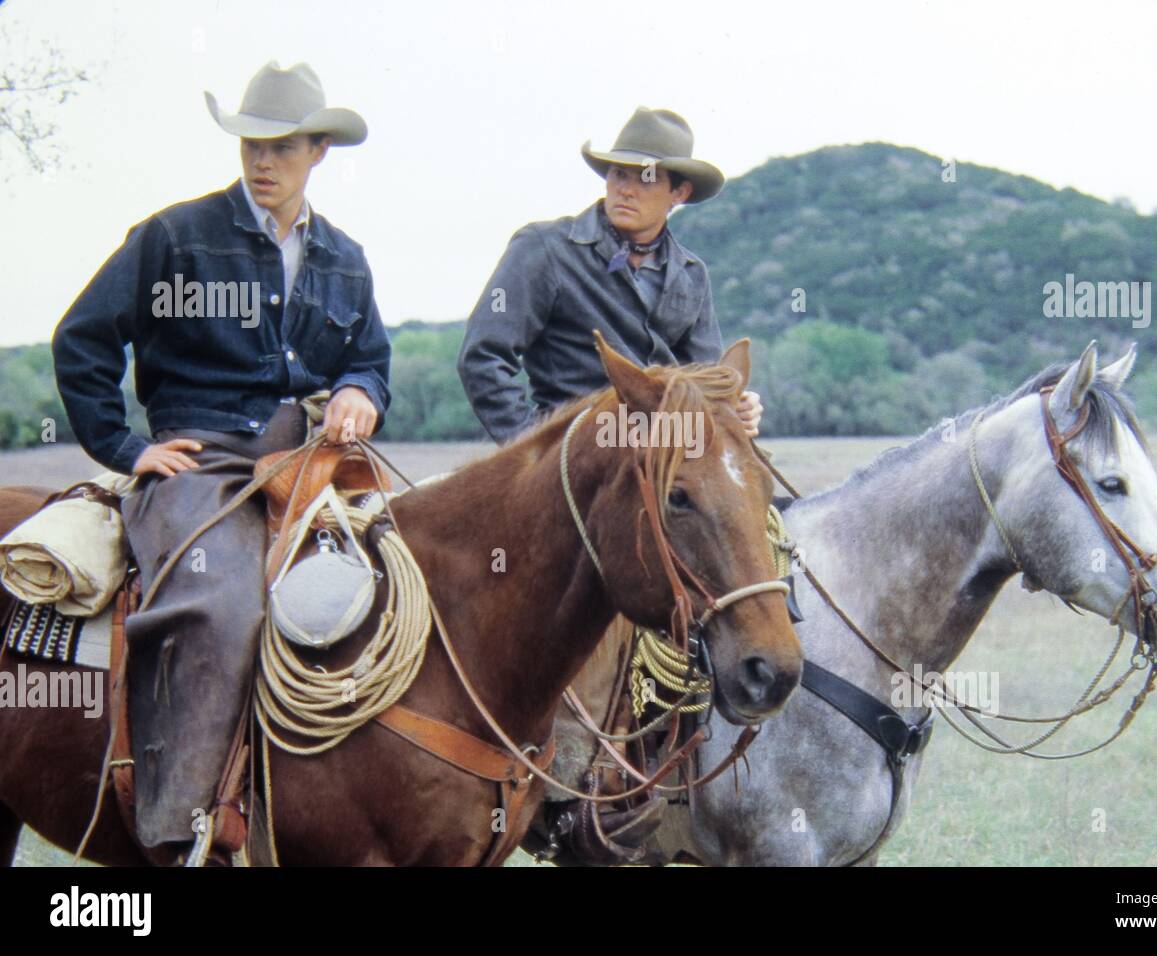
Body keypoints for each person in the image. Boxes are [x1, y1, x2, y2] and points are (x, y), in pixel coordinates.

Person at [51, 61, 390, 854]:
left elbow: (370, 358)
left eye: (281, 146)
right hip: (199, 464)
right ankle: (181, 829)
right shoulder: (174, 237)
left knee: (400, 593)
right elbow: (83, 339)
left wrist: (359, 393)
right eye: (251, 145)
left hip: (308, 461)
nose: (262, 162)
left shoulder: (345, 257)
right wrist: (129, 448)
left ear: (318, 153)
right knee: (228, 605)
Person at [458, 107, 762, 443]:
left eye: (646, 177)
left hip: (662, 453)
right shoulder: (545, 250)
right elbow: (483, 357)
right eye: (619, 174)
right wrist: (533, 446)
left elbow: (704, 381)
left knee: (763, 493)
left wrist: (737, 405)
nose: (627, 190)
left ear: (680, 193)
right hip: (576, 451)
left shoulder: (692, 274)